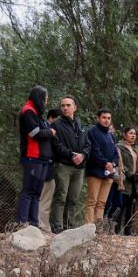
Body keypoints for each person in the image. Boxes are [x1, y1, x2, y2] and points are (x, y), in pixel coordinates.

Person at [17, 86, 56, 227]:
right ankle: (22, 223)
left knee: (37, 192)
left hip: (42, 159)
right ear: (39, 97)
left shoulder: (37, 113)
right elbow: (34, 133)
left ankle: (33, 224)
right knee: (28, 190)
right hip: (31, 157)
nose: (46, 102)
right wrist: (50, 132)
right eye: (45, 98)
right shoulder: (28, 111)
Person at [50, 95, 89, 232]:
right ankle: (57, 226)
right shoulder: (56, 125)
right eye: (63, 105)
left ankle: (69, 226)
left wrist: (83, 155)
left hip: (79, 168)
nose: (65, 108)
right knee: (61, 196)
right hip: (64, 166)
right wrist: (71, 155)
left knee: (73, 198)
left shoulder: (81, 125)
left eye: (68, 105)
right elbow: (56, 145)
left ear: (75, 108)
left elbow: (88, 145)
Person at [84, 108, 120, 225]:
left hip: (108, 173)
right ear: (98, 118)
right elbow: (94, 150)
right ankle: (88, 227)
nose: (106, 120)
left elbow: (116, 153)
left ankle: (97, 228)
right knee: (92, 201)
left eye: (109, 118)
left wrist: (113, 164)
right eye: (104, 118)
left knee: (102, 203)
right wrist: (105, 163)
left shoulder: (111, 136)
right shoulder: (92, 132)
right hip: (95, 171)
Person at [116, 126, 138, 235]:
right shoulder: (120, 147)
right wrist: (128, 173)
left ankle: (128, 231)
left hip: (135, 182)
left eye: (134, 134)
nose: (133, 135)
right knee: (121, 205)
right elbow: (119, 161)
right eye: (130, 133)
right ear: (124, 135)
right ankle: (117, 229)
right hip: (124, 181)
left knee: (130, 207)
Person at [38, 107, 61, 231]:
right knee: (43, 198)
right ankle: (42, 226)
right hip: (44, 169)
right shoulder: (46, 130)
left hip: (48, 170)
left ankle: (44, 225)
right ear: (51, 118)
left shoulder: (48, 129)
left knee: (46, 199)